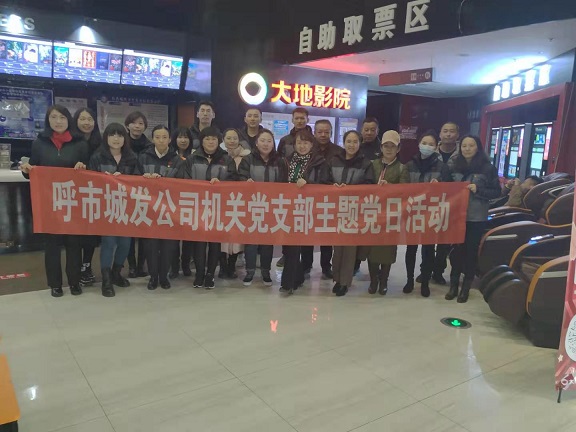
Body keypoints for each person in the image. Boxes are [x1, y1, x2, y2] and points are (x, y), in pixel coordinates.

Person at [20, 105, 89, 297]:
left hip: (73, 201)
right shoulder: (39, 143)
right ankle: (55, 284)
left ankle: (74, 282)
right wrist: (26, 170)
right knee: (51, 245)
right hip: (49, 201)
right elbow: (33, 170)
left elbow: (90, 172)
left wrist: (83, 167)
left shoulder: (80, 143)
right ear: (48, 120)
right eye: (54, 117)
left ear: (69, 120)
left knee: (74, 243)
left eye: (62, 117)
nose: (58, 121)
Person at [174, 126, 237, 289]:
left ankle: (210, 275)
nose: (210, 142)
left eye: (214, 139)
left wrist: (222, 184)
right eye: (207, 139)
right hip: (198, 208)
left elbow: (234, 181)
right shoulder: (192, 159)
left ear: (219, 141)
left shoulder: (226, 159)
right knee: (199, 243)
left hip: (218, 208)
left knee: (215, 243)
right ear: (201, 141)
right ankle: (199, 274)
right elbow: (185, 182)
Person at [447, 135, 501, 303]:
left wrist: (478, 190)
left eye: (471, 145)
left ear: (478, 147)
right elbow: (445, 186)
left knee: (470, 252)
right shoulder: (453, 165)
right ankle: (453, 285)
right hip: (456, 216)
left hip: (476, 217)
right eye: (464, 146)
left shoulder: (487, 168)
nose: (467, 149)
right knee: (456, 252)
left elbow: (496, 192)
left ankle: (466, 287)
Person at [400, 130, 452, 297]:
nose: (427, 146)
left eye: (431, 144)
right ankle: (409, 280)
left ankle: (425, 283)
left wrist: (440, 185)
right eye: (424, 143)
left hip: (431, 214)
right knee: (411, 249)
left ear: (436, 147)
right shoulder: (410, 165)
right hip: (413, 213)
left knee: (428, 249)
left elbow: (450, 190)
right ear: (419, 144)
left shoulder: (442, 167)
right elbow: (402, 188)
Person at [88, 123, 137, 297]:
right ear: (106, 138)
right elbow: (89, 181)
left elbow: (138, 181)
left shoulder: (132, 158)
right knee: (108, 242)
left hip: (126, 207)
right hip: (106, 207)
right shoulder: (97, 157)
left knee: (125, 243)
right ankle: (106, 279)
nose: (116, 139)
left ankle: (117, 272)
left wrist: (125, 180)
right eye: (112, 135)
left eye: (120, 135)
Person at [280, 129, 329, 295]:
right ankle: (297, 277)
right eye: (299, 143)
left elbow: (324, 183)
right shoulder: (286, 161)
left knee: (296, 246)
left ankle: (288, 283)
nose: (302, 146)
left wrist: (308, 183)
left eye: (305, 143)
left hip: (308, 208)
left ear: (312, 144)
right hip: (288, 208)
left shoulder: (319, 162)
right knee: (289, 247)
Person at [238, 129, 288, 286]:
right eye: (263, 140)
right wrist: (245, 182)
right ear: (256, 143)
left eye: (269, 141)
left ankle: (266, 271)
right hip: (252, 206)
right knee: (251, 240)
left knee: (268, 240)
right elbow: (240, 178)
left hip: (272, 207)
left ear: (273, 144)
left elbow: (284, 183)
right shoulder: (248, 160)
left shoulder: (280, 161)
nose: (266, 144)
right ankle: (250, 271)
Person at [329, 130, 375, 297]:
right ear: (344, 142)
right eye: (349, 141)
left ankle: (345, 282)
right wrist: (333, 186)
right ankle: (336, 278)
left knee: (349, 249)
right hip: (336, 210)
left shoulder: (366, 163)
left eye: (355, 142)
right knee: (337, 247)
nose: (351, 145)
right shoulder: (334, 160)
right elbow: (324, 181)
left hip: (355, 211)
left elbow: (370, 185)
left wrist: (351, 190)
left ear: (359, 144)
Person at [417, 121, 460, 285]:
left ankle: (439, 271)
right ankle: (425, 270)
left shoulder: (462, 154)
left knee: (444, 242)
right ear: (440, 134)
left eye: (452, 131)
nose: (448, 134)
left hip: (450, 204)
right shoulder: (429, 155)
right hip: (428, 206)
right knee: (427, 241)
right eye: (445, 131)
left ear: (457, 134)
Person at [136, 125, 180, 290]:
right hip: (149, 210)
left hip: (170, 211)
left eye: (164, 137)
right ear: (152, 139)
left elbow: (182, 184)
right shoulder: (143, 157)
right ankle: (153, 277)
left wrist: (162, 180)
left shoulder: (177, 160)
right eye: (157, 137)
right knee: (151, 246)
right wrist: (143, 179)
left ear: (170, 139)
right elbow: (133, 180)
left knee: (168, 246)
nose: (161, 140)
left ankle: (164, 276)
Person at [301, 119, 344, 280]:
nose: (323, 135)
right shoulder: (307, 150)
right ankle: (306, 265)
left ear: (331, 133)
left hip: (329, 200)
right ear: (314, 132)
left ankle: (326, 266)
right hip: (309, 199)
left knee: (327, 235)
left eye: (327, 132)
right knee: (308, 233)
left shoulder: (339, 152)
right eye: (320, 132)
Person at [367, 131, 404, 295]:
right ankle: (373, 280)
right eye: (386, 146)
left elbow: (405, 191)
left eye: (392, 146)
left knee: (387, 250)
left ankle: (384, 280)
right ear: (381, 147)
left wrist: (390, 188)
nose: (389, 149)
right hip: (372, 214)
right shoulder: (372, 164)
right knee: (372, 249)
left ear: (398, 148)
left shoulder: (402, 168)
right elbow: (364, 184)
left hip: (391, 216)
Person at [276, 107, 313, 268]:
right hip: (289, 196)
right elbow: (279, 160)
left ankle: (306, 263)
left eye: (302, 118)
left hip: (308, 198)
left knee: (307, 229)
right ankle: (287, 256)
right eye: (296, 118)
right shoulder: (285, 140)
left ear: (307, 119)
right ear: (292, 119)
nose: (299, 120)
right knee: (288, 226)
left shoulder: (313, 141)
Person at [74, 108, 102, 288]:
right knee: (77, 234)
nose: (86, 123)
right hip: (75, 194)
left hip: (94, 194)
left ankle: (86, 266)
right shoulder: (70, 142)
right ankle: (75, 268)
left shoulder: (100, 143)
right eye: (82, 119)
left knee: (91, 233)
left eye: (89, 119)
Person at [219, 128, 250, 279]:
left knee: (236, 236)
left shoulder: (247, 157)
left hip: (239, 202)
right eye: (228, 138)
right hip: (219, 202)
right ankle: (222, 266)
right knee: (220, 235)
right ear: (223, 140)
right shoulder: (218, 155)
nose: (232, 141)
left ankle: (232, 266)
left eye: (235, 138)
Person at [125, 111, 152, 279]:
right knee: (129, 232)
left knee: (143, 232)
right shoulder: (121, 143)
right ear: (127, 125)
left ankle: (141, 265)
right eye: (134, 123)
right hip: (126, 193)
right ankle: (132, 266)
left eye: (141, 123)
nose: (137, 126)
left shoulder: (149, 146)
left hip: (145, 195)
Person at [169, 127, 195, 279]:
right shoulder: (170, 156)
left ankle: (186, 264)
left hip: (190, 201)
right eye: (180, 137)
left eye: (186, 137)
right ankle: (174, 266)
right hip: (172, 201)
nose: (183, 140)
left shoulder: (194, 156)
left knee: (188, 237)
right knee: (173, 236)